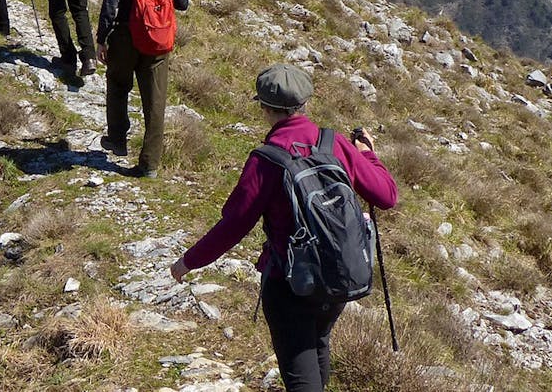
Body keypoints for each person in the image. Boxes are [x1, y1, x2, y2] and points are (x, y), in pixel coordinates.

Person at [170, 64, 398, 392]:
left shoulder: (267, 160)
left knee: (302, 370)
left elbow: (233, 225)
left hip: (289, 283)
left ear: (264, 107)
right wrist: (369, 155)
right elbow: (386, 196)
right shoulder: (333, 143)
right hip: (338, 276)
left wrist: (188, 261)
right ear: (305, 101)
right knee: (318, 344)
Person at [96, 0, 190, 175]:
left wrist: (101, 40)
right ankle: (149, 165)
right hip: (157, 42)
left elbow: (109, 8)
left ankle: (117, 139)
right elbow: (183, 3)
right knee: (155, 102)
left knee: (117, 84)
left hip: (125, 39)